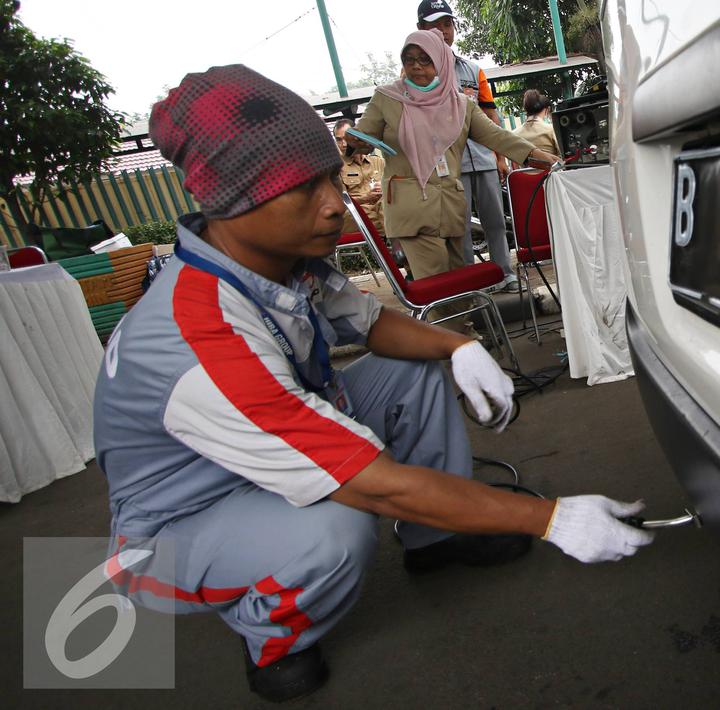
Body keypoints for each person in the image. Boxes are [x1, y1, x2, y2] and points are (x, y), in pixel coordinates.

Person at [93, 65, 651, 703]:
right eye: (302, 188)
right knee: (337, 530)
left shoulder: (278, 263)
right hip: (182, 519)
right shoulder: (198, 338)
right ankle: (272, 636)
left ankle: (437, 539)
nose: (335, 203)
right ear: (229, 200)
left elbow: (369, 322)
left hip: (263, 451)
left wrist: (459, 345)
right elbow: (370, 483)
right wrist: (549, 519)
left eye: (330, 176)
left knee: (412, 368)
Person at [349, 29, 558, 282]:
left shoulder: (461, 104)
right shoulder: (387, 98)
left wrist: (540, 156)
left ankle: (464, 309)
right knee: (441, 285)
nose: (416, 66)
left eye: (425, 59)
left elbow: (497, 136)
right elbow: (362, 137)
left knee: (461, 284)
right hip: (411, 210)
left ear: (441, 61)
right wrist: (356, 142)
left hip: (450, 206)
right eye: (409, 59)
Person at [417, 0, 520, 292]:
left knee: (495, 221)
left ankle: (504, 274)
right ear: (420, 29)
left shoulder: (473, 70)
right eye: (434, 26)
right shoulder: (417, 74)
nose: (442, 31)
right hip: (448, 166)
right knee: (458, 227)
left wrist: (500, 157)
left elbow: (491, 116)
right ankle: (472, 284)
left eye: (447, 24)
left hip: (483, 158)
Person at [332, 118, 385, 238]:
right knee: (376, 216)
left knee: (388, 206)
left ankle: (394, 240)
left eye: (346, 138)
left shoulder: (378, 162)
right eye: (339, 140)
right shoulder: (336, 169)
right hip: (356, 211)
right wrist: (366, 198)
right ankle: (395, 239)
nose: (343, 144)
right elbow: (339, 204)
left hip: (380, 207)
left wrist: (385, 189)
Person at [514, 89, 561, 157]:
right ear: (547, 109)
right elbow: (562, 155)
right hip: (552, 163)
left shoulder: (514, 134)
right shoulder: (552, 129)